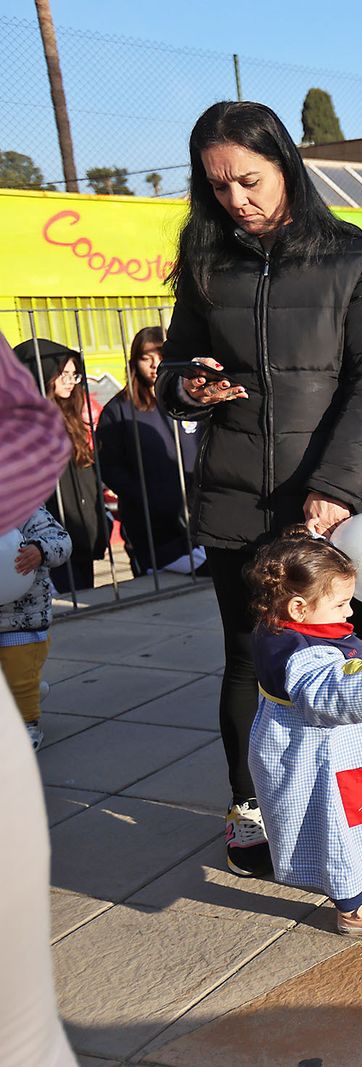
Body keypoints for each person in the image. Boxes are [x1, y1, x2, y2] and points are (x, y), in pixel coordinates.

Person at [155, 100, 362, 880]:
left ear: (286, 164)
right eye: (218, 186)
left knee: (344, 662)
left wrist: (339, 486)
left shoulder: (353, 258)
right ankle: (250, 807)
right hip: (237, 501)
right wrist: (189, 388)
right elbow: (171, 371)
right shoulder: (208, 263)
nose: (236, 199)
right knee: (249, 660)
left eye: (249, 179)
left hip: (325, 508)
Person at [246, 527, 362, 935]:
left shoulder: (294, 627)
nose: (349, 612)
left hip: (347, 749)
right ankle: (353, 905)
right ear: (298, 607)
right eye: (341, 603)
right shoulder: (300, 652)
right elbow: (328, 691)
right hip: (315, 757)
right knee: (333, 827)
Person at [0, 330, 75, 1066]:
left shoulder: (22, 507)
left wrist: (34, 548)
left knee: (21, 682)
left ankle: (26, 720)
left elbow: (57, 537)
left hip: (23, 617)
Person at [94, 325, 204, 577]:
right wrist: (147, 496)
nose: (155, 365)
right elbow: (109, 467)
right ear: (135, 361)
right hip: (152, 527)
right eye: (147, 358)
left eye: (162, 357)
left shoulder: (194, 403)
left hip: (201, 519)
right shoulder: (118, 410)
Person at [13, 338, 109, 595]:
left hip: (79, 532)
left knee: (84, 600)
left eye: (74, 374)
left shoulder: (69, 417)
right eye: (63, 373)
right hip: (44, 535)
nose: (70, 380)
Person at [0, 508, 71, 751]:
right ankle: (28, 691)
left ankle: (27, 723)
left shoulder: (28, 511)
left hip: (22, 619)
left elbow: (62, 541)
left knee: (19, 675)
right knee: (15, 678)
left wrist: (40, 550)